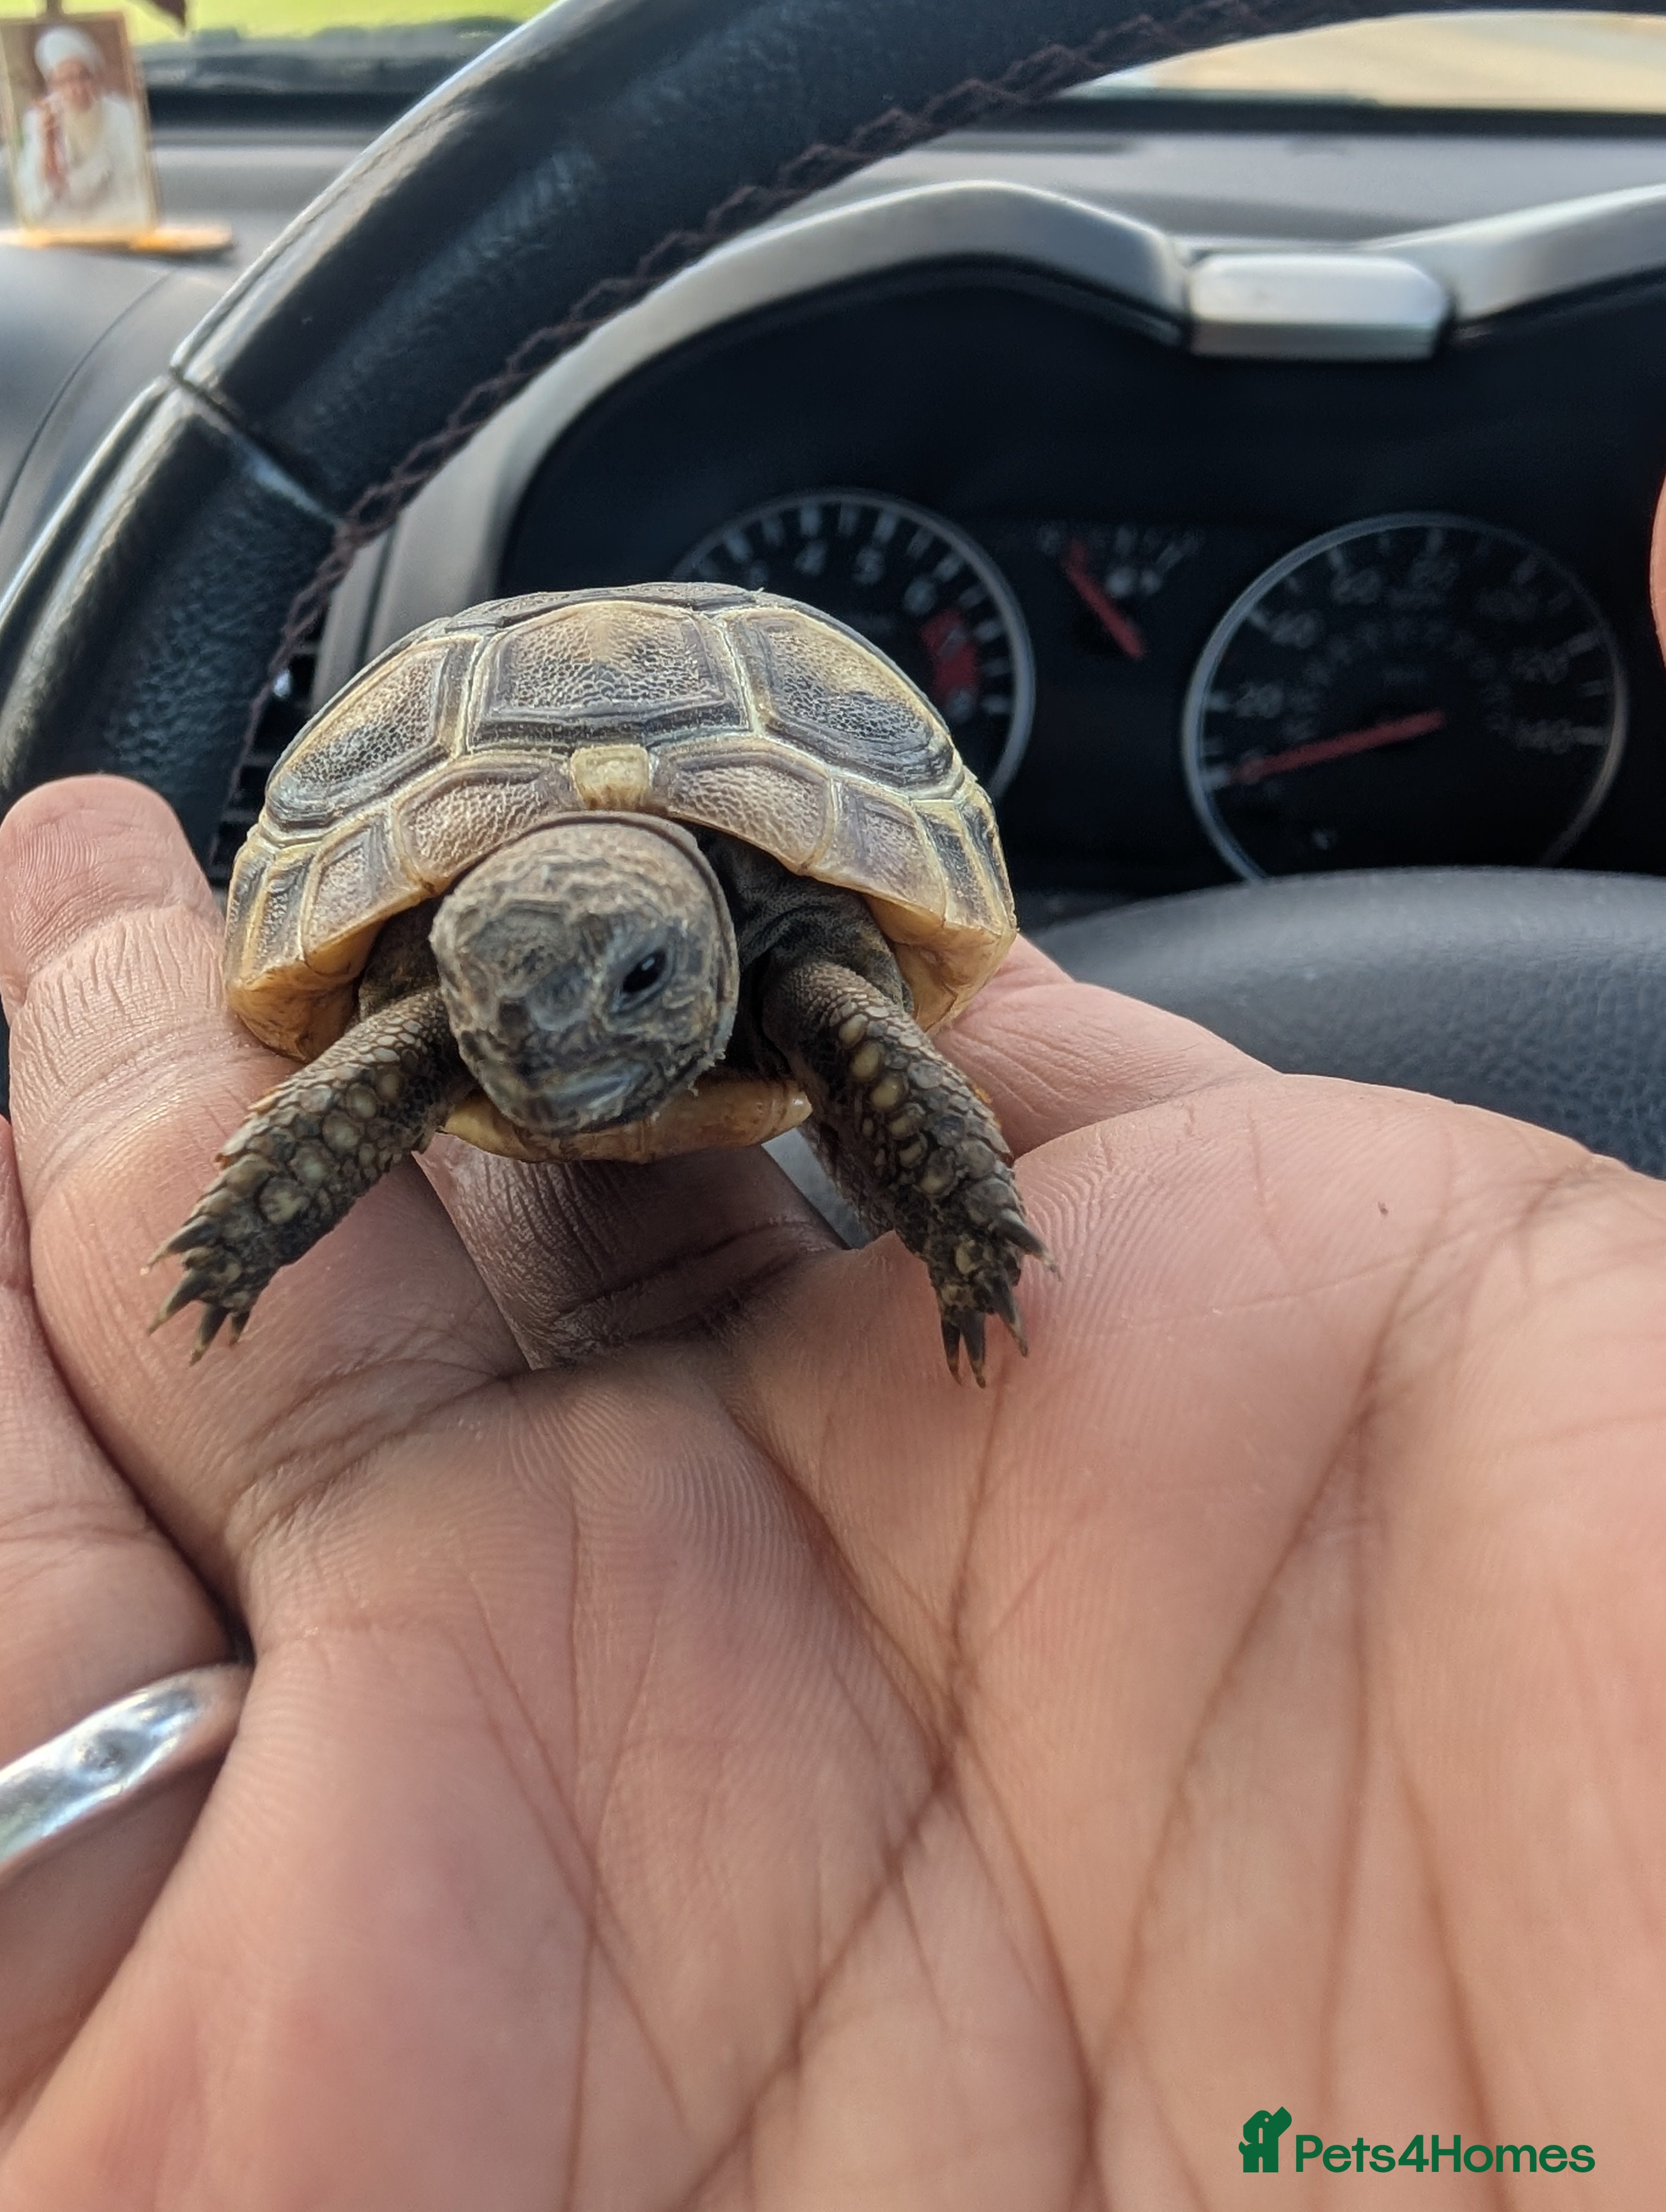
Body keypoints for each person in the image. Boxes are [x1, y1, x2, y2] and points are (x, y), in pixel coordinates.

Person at [0, 771, 1659, 2203]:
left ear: (706, 943)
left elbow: (873, 1047)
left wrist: (963, 1229)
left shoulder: (808, 971)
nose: (550, 1049)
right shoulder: (479, 1014)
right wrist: (246, 1235)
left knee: (851, 1040)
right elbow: (428, 1046)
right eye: (491, 1005)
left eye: (631, 983)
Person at [11, 24, 153, 234]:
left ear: (95, 76)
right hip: (65, 223)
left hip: (115, 216)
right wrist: (49, 142)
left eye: (83, 76)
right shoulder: (40, 119)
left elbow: (135, 181)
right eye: (65, 81)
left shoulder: (122, 113)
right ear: (53, 85)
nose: (76, 89)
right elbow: (37, 193)